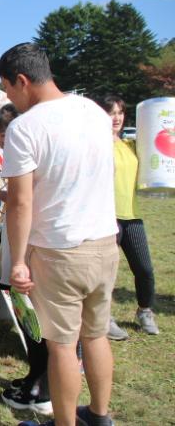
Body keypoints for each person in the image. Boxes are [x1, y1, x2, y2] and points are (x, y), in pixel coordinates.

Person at [0, 43, 119, 426]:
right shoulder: (94, 111)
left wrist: (17, 262)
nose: (8, 98)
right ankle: (99, 416)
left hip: (59, 250)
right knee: (95, 335)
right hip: (104, 242)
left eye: (6, 88)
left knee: (63, 345)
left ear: (22, 80)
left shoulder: (25, 127)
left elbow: (19, 202)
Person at [0, 104, 53, 415]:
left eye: (2, 134)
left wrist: (18, 261)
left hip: (31, 249)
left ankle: (42, 387)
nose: (1, 141)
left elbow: (26, 203)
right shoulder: (21, 153)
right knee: (27, 316)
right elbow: (18, 199)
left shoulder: (32, 150)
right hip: (22, 247)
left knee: (36, 317)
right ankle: (35, 376)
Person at [98, 94, 159, 339]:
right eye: (111, 112)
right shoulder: (95, 144)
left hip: (131, 216)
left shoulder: (131, 145)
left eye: (120, 113)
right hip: (104, 217)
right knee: (106, 274)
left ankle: (145, 311)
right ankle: (105, 318)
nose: (116, 118)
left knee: (144, 269)